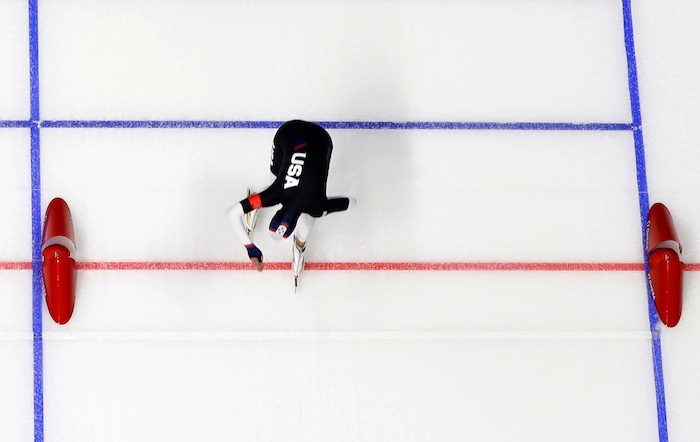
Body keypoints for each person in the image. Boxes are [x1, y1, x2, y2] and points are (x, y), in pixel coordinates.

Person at [226, 120, 356, 286]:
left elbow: (351, 202)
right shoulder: (274, 195)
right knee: (286, 192)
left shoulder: (316, 207)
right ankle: (299, 245)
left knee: (308, 215)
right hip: (302, 134)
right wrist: (249, 247)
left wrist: (327, 206)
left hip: (314, 138)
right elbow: (231, 213)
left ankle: (298, 243)